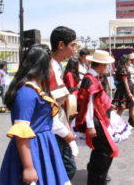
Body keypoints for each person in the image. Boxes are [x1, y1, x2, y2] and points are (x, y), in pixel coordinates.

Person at [0, 44, 70, 185]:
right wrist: (28, 167)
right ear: (42, 66)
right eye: (50, 63)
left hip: (43, 146)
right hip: (33, 149)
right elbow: (21, 134)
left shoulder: (35, 89)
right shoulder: (27, 93)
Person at [75, 50, 119, 185]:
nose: (107, 68)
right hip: (94, 119)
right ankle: (97, 179)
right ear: (100, 65)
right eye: (106, 65)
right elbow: (88, 104)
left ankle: (97, 177)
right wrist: (90, 126)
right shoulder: (90, 79)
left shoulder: (92, 78)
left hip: (96, 118)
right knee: (106, 150)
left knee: (101, 149)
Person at [49, 26, 78, 180]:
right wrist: (64, 132)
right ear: (61, 45)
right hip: (55, 131)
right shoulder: (49, 69)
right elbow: (49, 107)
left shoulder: (57, 67)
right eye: (72, 45)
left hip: (61, 126)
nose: (74, 49)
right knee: (67, 169)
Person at [113, 55, 134, 129]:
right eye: (129, 60)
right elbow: (125, 81)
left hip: (130, 88)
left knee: (132, 106)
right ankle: (114, 123)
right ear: (125, 61)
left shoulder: (127, 68)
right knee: (121, 108)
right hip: (124, 90)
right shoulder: (123, 69)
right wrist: (129, 92)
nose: (130, 61)